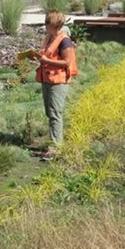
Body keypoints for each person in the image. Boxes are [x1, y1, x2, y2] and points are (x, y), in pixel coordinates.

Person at [32, 10, 77, 160]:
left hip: (58, 82)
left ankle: (56, 148)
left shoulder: (64, 41)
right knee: (49, 113)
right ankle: (53, 142)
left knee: (55, 113)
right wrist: (38, 58)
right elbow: (47, 56)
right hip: (47, 79)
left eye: (47, 22)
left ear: (55, 25)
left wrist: (46, 61)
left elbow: (67, 62)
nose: (45, 25)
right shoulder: (49, 37)